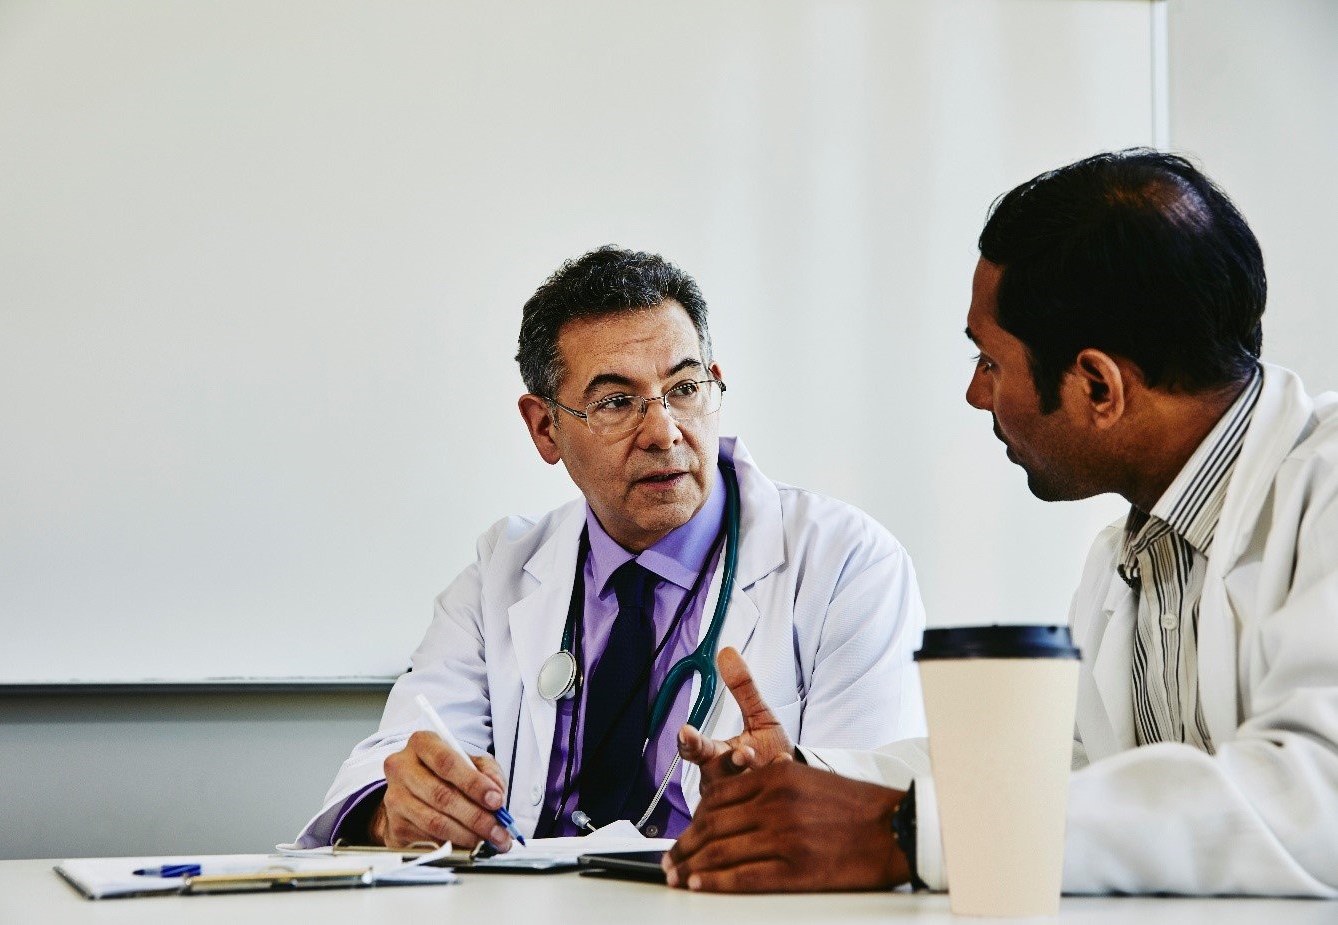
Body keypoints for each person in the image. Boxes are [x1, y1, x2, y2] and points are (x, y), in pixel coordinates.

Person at [664, 150, 1338, 896]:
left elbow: (1316, 800)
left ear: (1096, 384)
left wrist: (911, 832)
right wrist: (811, 778)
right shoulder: (1128, 553)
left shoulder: (1326, 488)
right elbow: (1072, 774)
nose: (973, 393)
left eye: (990, 361)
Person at [294, 246, 926, 852]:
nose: (663, 431)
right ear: (545, 427)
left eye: (684, 389)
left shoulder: (844, 562)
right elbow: (399, 753)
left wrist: (801, 786)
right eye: (616, 402)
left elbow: (873, 813)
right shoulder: (502, 573)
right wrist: (398, 808)